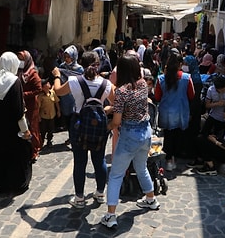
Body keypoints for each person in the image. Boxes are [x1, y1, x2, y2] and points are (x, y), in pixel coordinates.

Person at [101, 54, 160, 228]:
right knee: (141, 168)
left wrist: (106, 126)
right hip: (145, 133)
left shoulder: (121, 91)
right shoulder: (143, 84)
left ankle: (110, 216)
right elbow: (133, 104)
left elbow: (117, 121)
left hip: (129, 135)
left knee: (116, 175)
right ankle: (151, 199)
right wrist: (114, 107)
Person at [52, 51, 114, 208]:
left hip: (78, 122)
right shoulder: (106, 84)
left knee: (80, 161)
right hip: (99, 123)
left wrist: (57, 75)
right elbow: (116, 103)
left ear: (81, 65)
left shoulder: (74, 80)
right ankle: (100, 193)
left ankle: (79, 198)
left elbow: (58, 91)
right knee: (99, 159)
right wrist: (105, 109)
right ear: (98, 64)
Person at [0, 52, 32, 195]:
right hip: (11, 131)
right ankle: (17, 184)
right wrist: (25, 130)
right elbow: (18, 110)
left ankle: (0, 185)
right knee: (15, 156)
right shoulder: (14, 81)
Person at [155, 52, 195, 171]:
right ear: (180, 64)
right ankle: (174, 158)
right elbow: (192, 95)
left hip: (166, 111)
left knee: (168, 135)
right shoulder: (187, 78)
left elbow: (157, 97)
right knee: (178, 135)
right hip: (181, 111)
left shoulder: (161, 79)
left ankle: (168, 159)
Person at [17, 50, 43, 162]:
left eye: (22, 59)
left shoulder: (33, 73)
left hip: (31, 104)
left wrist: (24, 95)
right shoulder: (17, 72)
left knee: (32, 126)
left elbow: (38, 89)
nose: (20, 62)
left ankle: (35, 149)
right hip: (20, 103)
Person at [37, 78, 60, 148]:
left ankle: (49, 141)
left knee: (51, 129)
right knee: (43, 130)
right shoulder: (41, 96)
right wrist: (38, 116)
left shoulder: (52, 93)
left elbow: (56, 102)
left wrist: (58, 110)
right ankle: (41, 141)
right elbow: (38, 107)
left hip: (52, 115)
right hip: (44, 116)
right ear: (43, 87)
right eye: (47, 83)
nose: (48, 84)